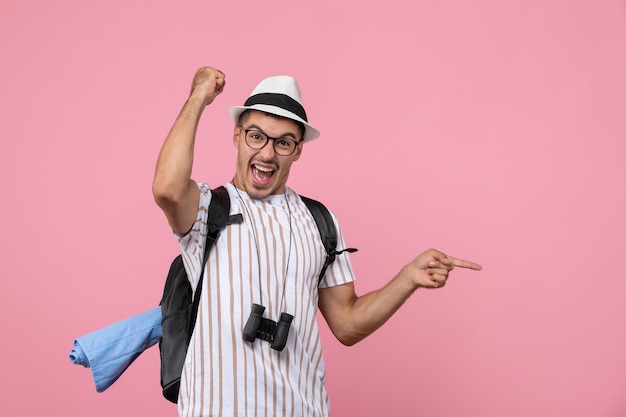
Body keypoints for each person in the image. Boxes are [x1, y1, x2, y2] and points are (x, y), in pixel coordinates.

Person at [152, 66, 482, 417]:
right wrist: (198, 98)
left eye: (283, 142)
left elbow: (348, 323)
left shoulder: (320, 222)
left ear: (298, 151)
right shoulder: (207, 208)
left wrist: (407, 278)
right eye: (256, 136)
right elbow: (167, 189)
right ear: (237, 135)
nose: (267, 154)